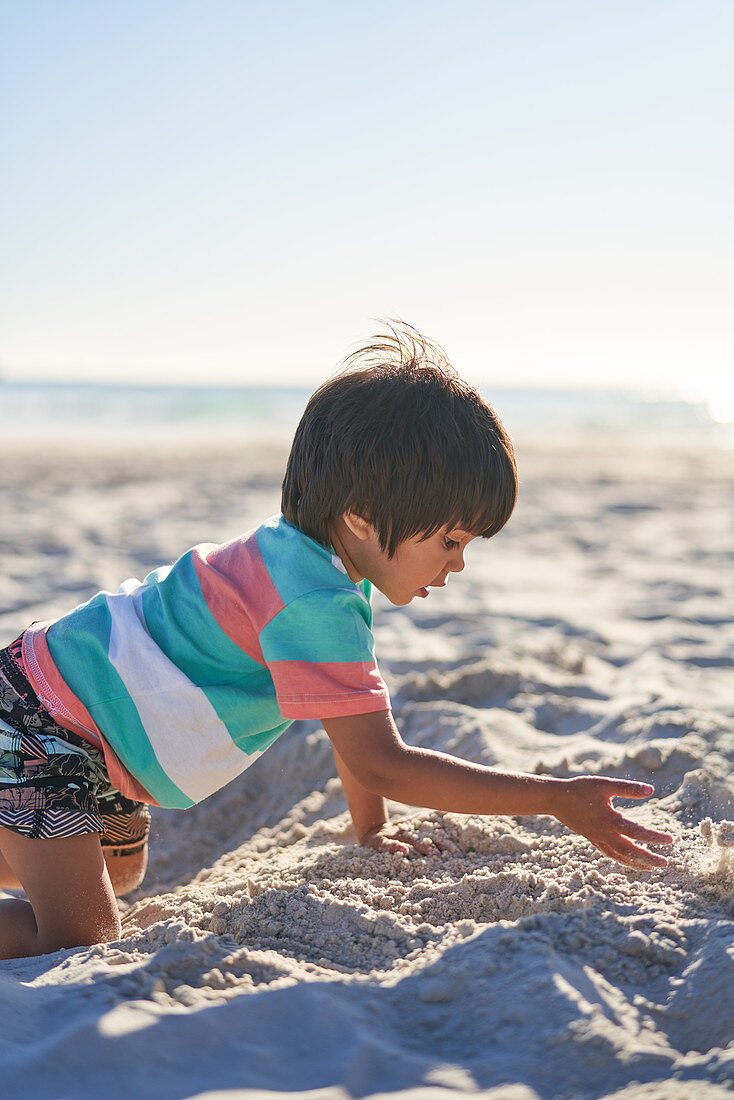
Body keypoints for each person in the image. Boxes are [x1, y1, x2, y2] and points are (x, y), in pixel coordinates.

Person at [0, 322, 673, 959]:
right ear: (359, 517)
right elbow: (382, 759)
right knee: (78, 938)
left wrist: (371, 826)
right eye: (450, 539)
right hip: (45, 724)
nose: (458, 563)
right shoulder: (314, 600)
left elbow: (348, 720)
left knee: (119, 877)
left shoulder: (311, 565)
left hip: (86, 725)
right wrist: (556, 797)